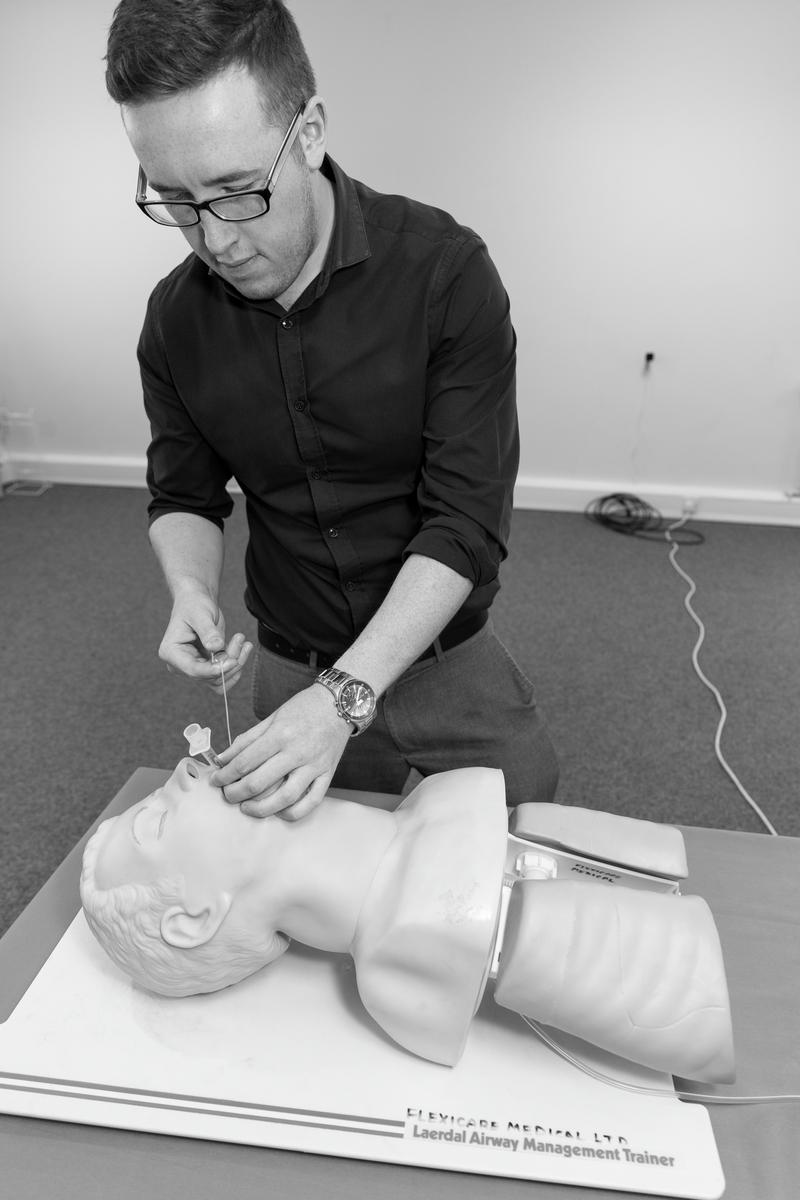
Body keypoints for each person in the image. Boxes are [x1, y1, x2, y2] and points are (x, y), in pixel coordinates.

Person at [104, 0, 560, 819]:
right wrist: (189, 589)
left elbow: (466, 520)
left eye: (239, 192)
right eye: (174, 199)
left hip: (444, 651)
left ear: (309, 131)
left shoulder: (444, 276)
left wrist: (348, 695)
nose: (217, 241)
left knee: (524, 829)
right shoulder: (174, 320)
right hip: (292, 658)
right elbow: (184, 495)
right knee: (309, 895)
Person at [81, 757, 735, 1082]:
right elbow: (690, 997)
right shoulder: (412, 961)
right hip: (589, 948)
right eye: (159, 818)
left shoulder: (436, 806)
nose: (185, 769)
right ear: (195, 920)